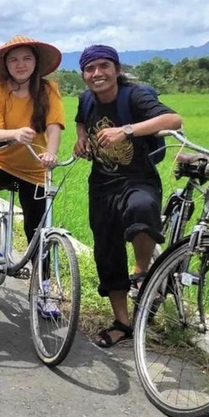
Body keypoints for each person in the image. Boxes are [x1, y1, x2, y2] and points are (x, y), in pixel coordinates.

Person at [73, 44, 182, 348]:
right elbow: (81, 120)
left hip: (139, 178)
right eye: (90, 69)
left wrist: (127, 130)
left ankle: (143, 272)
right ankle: (123, 322)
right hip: (102, 185)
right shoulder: (86, 99)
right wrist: (81, 139)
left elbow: (173, 121)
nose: (97, 74)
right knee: (107, 253)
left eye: (104, 66)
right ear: (84, 75)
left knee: (142, 209)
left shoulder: (134, 95)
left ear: (117, 70)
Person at [0, 35, 65, 318]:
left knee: (37, 233)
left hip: (34, 167)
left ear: (36, 62)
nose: (21, 64)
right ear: (5, 65)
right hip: (0, 161)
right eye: (14, 59)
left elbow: (54, 126)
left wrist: (51, 155)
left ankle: (44, 291)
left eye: (26, 58)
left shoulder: (48, 90)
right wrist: (15, 134)